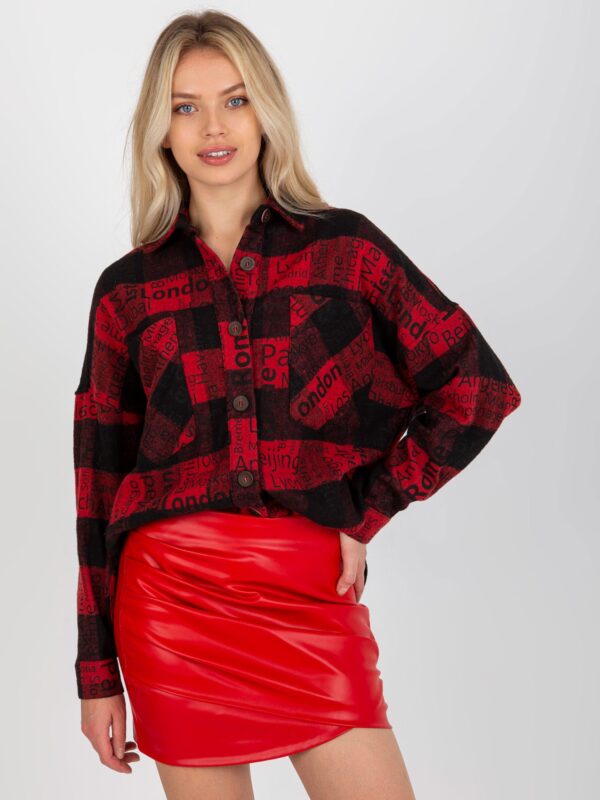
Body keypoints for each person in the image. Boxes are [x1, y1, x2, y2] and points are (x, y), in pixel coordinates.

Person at [73, 10, 522, 800]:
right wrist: (96, 673)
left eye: (235, 100)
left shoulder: (347, 251)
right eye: (186, 106)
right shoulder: (126, 292)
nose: (214, 127)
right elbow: (98, 487)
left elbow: (476, 386)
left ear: (266, 113)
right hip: (170, 605)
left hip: (311, 595)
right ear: (161, 131)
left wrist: (372, 508)